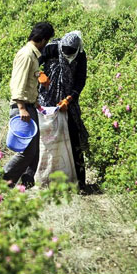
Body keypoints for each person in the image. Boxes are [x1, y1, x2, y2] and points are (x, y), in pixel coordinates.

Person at [3, 22, 55, 188]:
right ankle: (1, 183)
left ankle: (25, 184)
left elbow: (28, 83)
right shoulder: (26, 55)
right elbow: (18, 83)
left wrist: (36, 103)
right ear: (42, 40)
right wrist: (22, 108)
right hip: (22, 108)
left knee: (33, 152)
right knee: (27, 152)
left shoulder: (33, 55)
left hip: (29, 106)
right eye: (46, 41)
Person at [38, 30, 89, 192]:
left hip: (68, 102)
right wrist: (39, 74)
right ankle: (43, 178)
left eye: (70, 53)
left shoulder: (80, 56)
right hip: (47, 100)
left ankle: (79, 182)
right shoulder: (51, 48)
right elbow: (34, 62)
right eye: (65, 52)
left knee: (74, 138)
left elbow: (80, 81)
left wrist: (69, 98)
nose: (67, 55)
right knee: (46, 137)